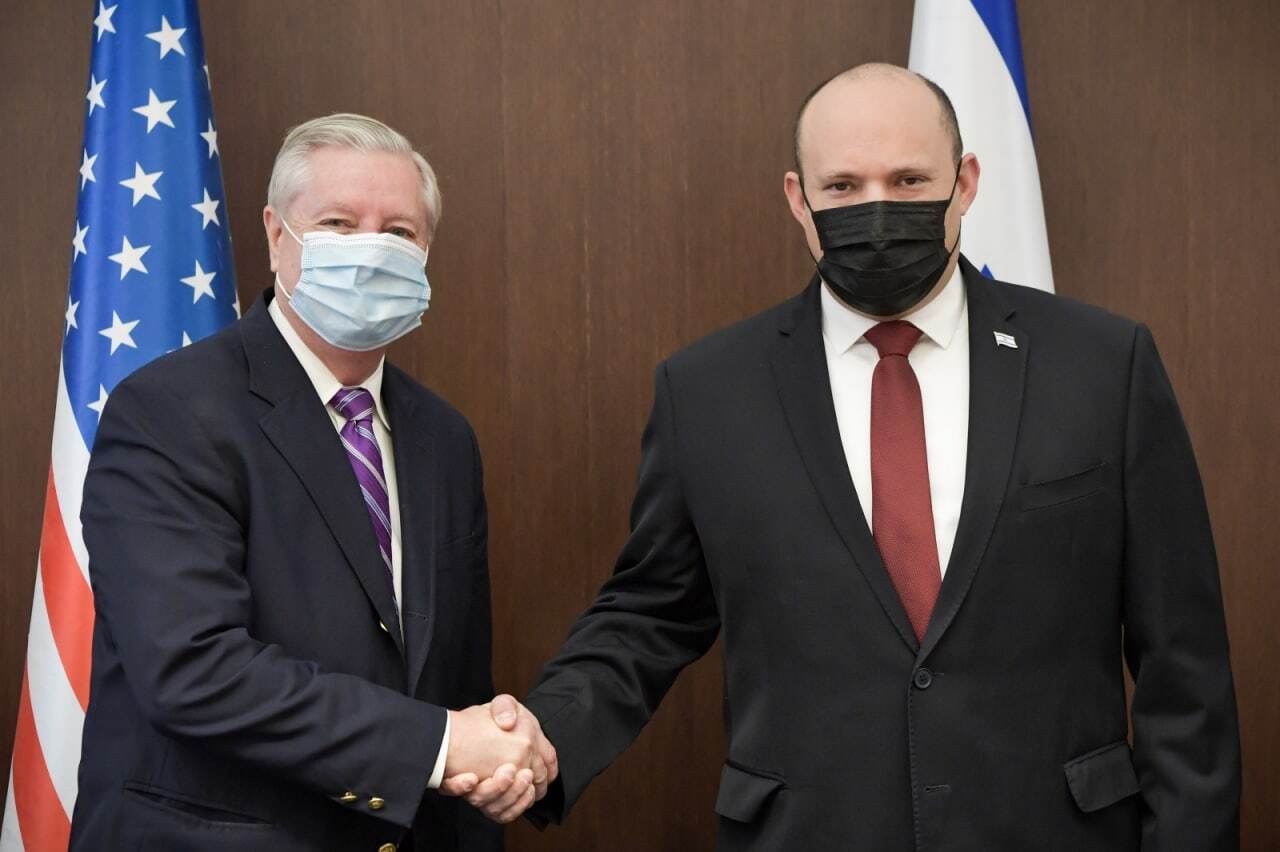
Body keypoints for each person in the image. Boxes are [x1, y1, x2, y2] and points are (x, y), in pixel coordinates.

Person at [463, 64, 1241, 849]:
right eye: (843, 187)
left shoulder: (1102, 365)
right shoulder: (708, 390)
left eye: (908, 181)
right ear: (799, 200)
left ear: (965, 183)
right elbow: (649, 613)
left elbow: (1184, 661)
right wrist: (544, 738)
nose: (877, 211)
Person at [70, 113, 556, 851]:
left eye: (399, 232)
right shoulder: (167, 412)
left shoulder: (444, 438)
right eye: (338, 223)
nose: (371, 247)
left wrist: (489, 763)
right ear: (276, 235)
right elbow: (193, 669)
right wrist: (439, 747)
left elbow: (454, 684)